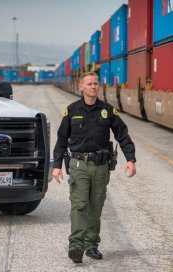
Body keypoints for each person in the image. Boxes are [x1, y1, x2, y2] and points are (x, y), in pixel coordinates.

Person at [52, 72, 136, 264]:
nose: (93, 87)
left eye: (96, 84)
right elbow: (62, 139)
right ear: (81, 87)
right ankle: (76, 245)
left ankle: (91, 246)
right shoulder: (72, 110)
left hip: (100, 166)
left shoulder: (107, 110)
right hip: (79, 165)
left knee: (95, 206)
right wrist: (56, 166)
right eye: (89, 84)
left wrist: (131, 159)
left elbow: (122, 135)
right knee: (79, 204)